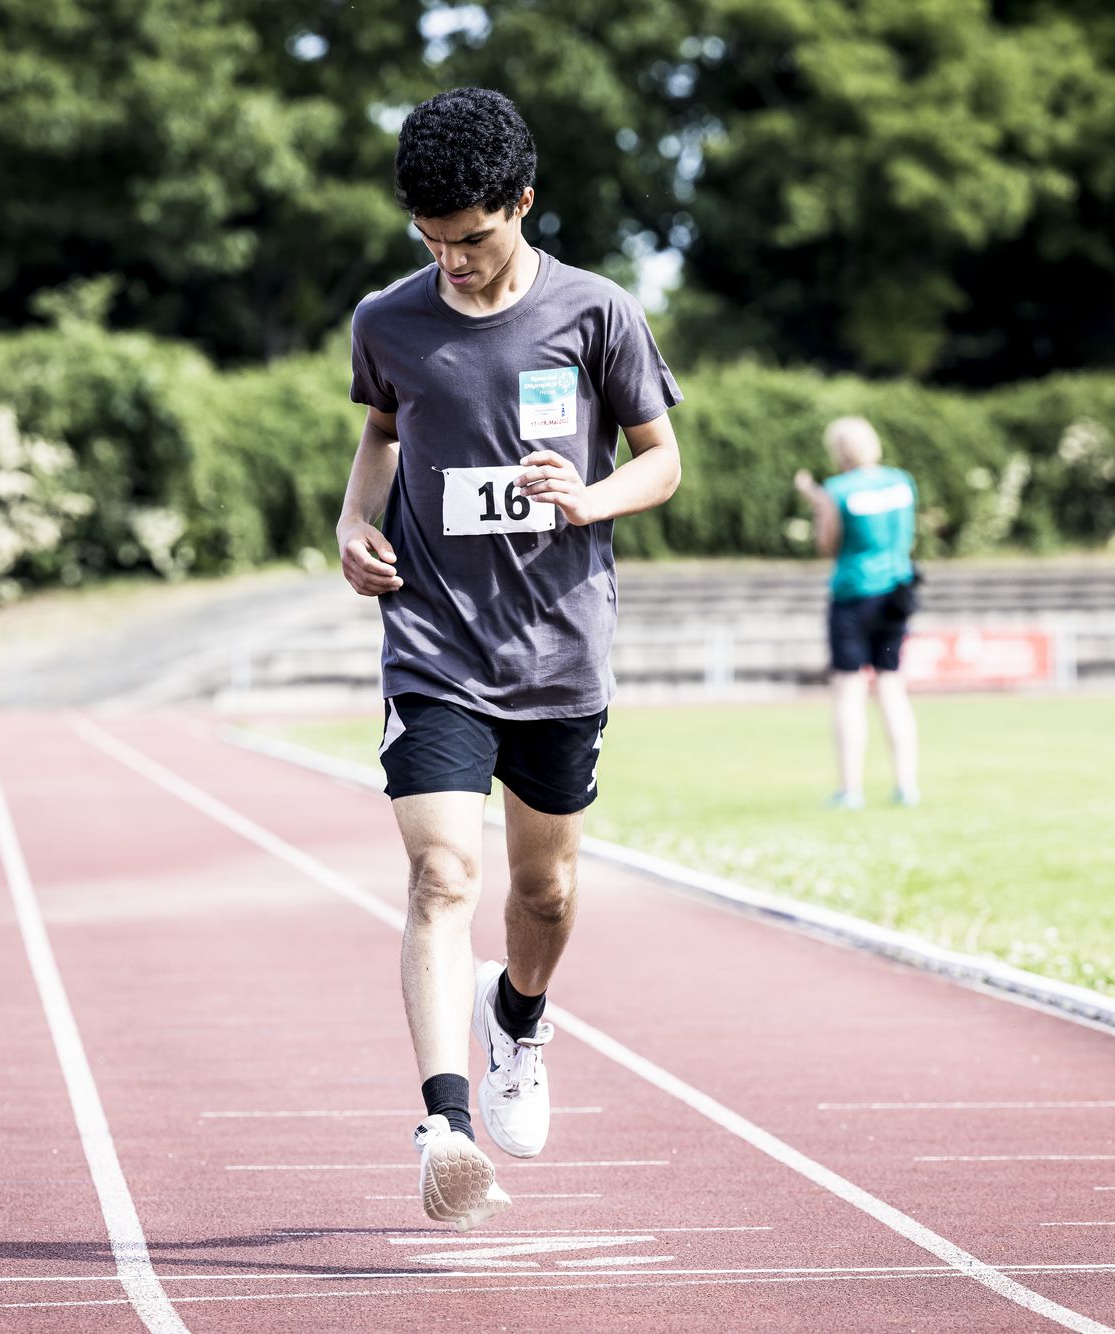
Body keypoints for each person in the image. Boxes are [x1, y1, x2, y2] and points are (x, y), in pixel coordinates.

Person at [337, 88, 684, 1231]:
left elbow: (661, 460)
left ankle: (519, 1020)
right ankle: (443, 1125)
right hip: (433, 645)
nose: (453, 260)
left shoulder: (596, 312)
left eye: (473, 237)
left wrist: (590, 498)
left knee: (545, 890)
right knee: (443, 874)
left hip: (556, 649)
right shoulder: (386, 320)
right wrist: (352, 521)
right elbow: (381, 427)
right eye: (430, 238)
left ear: (522, 203)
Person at [794, 416, 921, 809]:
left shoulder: (837, 490)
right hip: (896, 595)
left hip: (854, 597)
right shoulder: (902, 482)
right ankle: (906, 785)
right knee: (892, 686)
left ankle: (850, 790)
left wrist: (816, 501)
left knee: (849, 690)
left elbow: (828, 544)